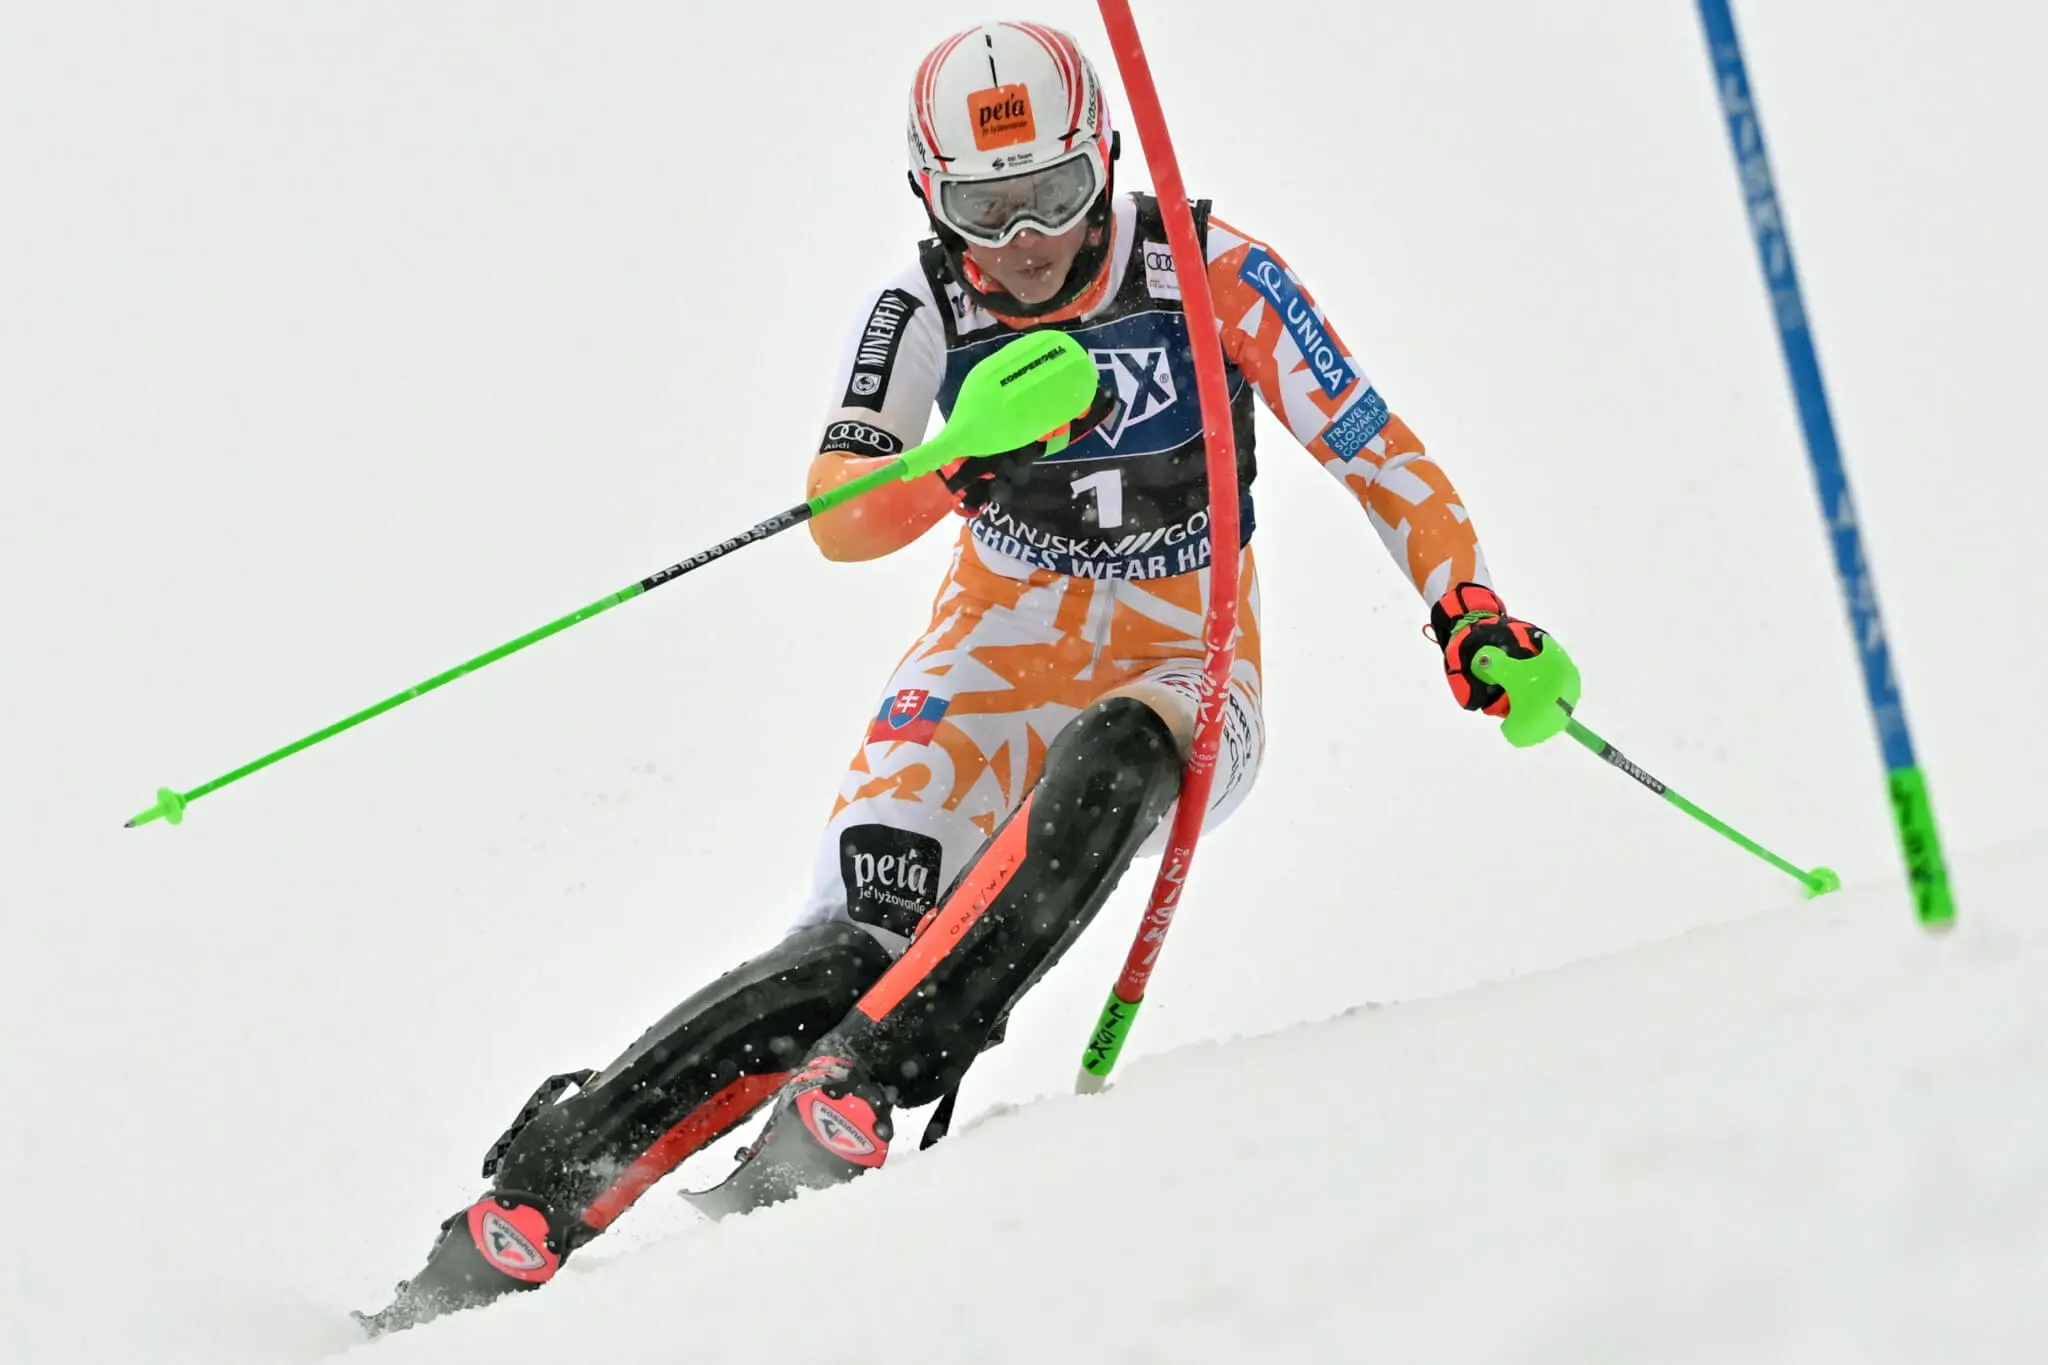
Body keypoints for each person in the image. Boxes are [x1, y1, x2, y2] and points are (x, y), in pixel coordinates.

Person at [359, 19, 1557, 1335]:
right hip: (994, 642)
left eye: (1055, 192)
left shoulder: (1214, 269)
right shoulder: (923, 307)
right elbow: (838, 515)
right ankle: (535, 1201)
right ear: (931, 198)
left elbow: (1375, 447)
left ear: (1107, 158)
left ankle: (868, 1084)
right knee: (849, 946)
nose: (1027, 238)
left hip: (1182, 641)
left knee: (1122, 754)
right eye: (986, 209)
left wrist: (1466, 608)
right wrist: (957, 462)